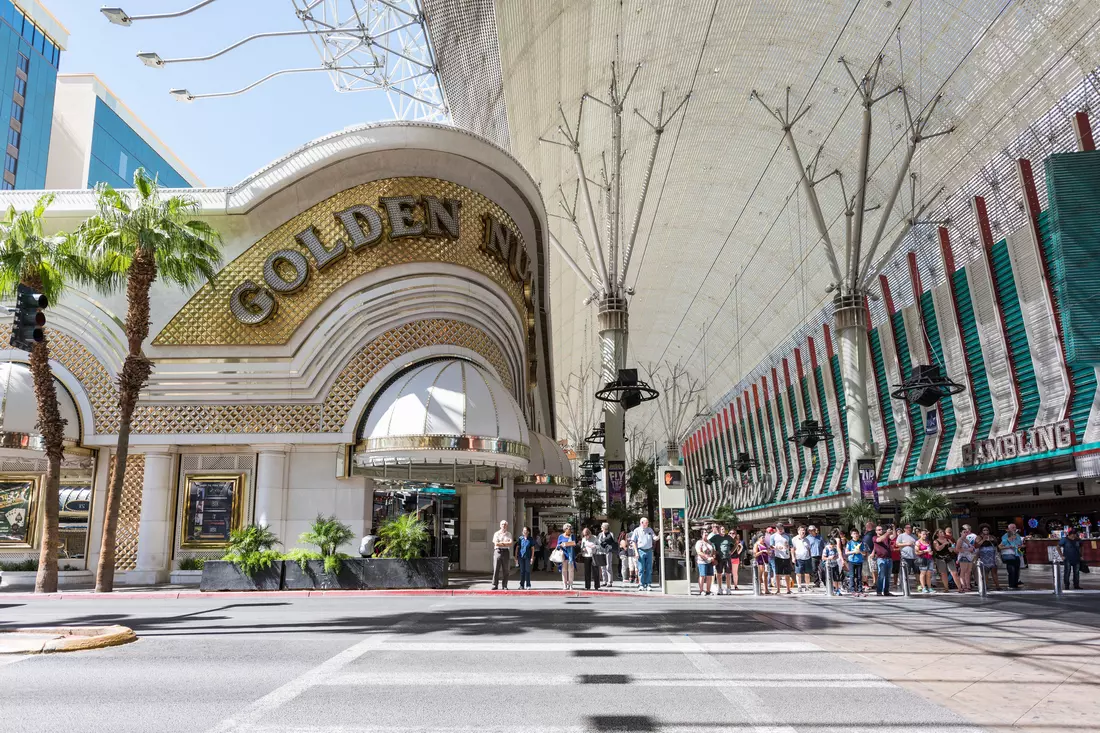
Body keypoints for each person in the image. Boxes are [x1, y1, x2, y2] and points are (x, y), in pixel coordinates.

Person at [631, 518, 657, 591]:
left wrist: (658, 537)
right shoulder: (637, 530)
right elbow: (633, 541)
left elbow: (654, 537)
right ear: (641, 523)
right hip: (640, 550)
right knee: (641, 569)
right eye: (646, 522)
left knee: (649, 568)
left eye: (647, 522)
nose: (647, 524)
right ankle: (641, 584)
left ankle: (648, 584)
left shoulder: (650, 530)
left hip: (649, 551)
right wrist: (636, 552)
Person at [932, 528, 961, 593]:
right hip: (940, 558)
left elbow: (953, 546)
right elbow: (938, 549)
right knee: (943, 573)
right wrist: (944, 544)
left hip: (949, 557)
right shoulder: (935, 541)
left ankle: (960, 588)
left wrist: (952, 548)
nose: (942, 533)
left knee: (954, 573)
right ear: (937, 534)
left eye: (943, 532)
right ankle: (946, 588)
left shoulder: (948, 539)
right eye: (941, 532)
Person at [976, 525, 1001, 591]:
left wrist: (992, 540)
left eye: (987, 530)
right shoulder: (979, 537)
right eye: (984, 530)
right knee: (985, 572)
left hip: (992, 556)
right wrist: (983, 540)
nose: (986, 531)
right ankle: (986, 585)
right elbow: (977, 545)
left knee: (994, 571)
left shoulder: (992, 537)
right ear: (981, 531)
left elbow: (996, 544)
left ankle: (997, 586)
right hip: (984, 557)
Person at [871, 524, 895, 596]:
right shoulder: (874, 537)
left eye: (881, 529)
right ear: (876, 531)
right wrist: (887, 533)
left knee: (888, 576)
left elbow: (893, 536)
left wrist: (893, 528)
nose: (881, 530)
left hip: (889, 558)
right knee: (881, 575)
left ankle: (886, 591)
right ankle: (879, 591)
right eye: (879, 529)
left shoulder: (886, 537)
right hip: (881, 559)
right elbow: (879, 540)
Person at [999, 523, 1024, 589]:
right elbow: (1000, 546)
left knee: (1017, 569)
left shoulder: (1018, 536)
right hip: (1009, 554)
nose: (1014, 529)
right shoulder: (1006, 536)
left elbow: (1020, 544)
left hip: (1017, 554)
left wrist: (1021, 546)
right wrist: (1009, 546)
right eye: (1012, 527)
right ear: (1009, 529)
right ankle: (1011, 584)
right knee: (1011, 570)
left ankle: (1015, 583)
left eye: (1015, 527)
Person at [771, 524, 794, 594]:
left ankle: (788, 589)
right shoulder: (773, 536)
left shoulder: (787, 536)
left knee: (787, 574)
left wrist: (789, 547)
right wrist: (776, 547)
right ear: (776, 529)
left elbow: (791, 545)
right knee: (777, 574)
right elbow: (771, 546)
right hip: (778, 556)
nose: (780, 530)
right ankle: (778, 589)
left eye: (781, 528)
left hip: (786, 556)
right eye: (778, 528)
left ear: (783, 528)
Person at [491, 520, 513, 590]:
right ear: (500, 525)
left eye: (505, 524)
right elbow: (496, 543)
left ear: (507, 526)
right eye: (502, 524)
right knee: (496, 569)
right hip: (498, 551)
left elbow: (510, 543)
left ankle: (505, 585)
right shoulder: (496, 533)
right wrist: (505, 543)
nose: (504, 526)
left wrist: (501, 543)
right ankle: (495, 585)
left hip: (506, 552)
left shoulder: (509, 534)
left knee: (506, 570)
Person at [895, 523, 918, 592]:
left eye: (910, 527)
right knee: (905, 572)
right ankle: (903, 586)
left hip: (915, 556)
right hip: (905, 557)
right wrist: (907, 544)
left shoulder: (914, 536)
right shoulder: (901, 536)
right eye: (907, 527)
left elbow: (918, 544)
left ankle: (919, 585)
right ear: (904, 529)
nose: (909, 529)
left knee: (917, 572)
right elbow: (897, 544)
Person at [713, 526, 736, 595]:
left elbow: (736, 543)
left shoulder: (728, 537)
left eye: (724, 529)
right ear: (719, 530)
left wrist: (731, 551)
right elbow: (709, 542)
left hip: (727, 557)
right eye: (722, 529)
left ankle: (728, 588)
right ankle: (719, 588)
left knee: (728, 573)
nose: (723, 530)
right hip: (719, 557)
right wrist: (714, 552)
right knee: (719, 574)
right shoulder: (716, 537)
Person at [791, 525, 814, 592]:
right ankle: (799, 586)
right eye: (801, 530)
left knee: (807, 573)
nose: (803, 532)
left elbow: (809, 549)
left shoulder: (807, 540)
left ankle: (807, 586)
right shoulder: (794, 539)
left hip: (807, 558)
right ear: (798, 531)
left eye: (804, 530)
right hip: (798, 558)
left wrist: (810, 557)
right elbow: (792, 549)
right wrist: (793, 557)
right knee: (798, 573)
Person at [821, 529, 843, 595]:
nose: (833, 547)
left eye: (834, 546)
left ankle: (837, 589)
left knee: (836, 577)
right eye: (832, 546)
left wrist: (836, 557)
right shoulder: (826, 548)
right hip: (828, 565)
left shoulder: (835, 548)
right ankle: (829, 589)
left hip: (834, 564)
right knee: (828, 577)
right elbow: (823, 557)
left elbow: (837, 555)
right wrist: (829, 558)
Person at [844, 528, 866, 596]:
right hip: (852, 561)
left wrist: (860, 551)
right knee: (852, 576)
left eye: (857, 533)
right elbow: (846, 552)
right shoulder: (849, 543)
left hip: (859, 561)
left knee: (859, 576)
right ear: (851, 535)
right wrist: (854, 551)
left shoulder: (861, 542)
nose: (856, 535)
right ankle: (852, 589)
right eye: (854, 534)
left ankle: (860, 589)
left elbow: (864, 553)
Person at [955, 525, 976, 592]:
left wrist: (972, 548)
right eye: (964, 532)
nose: (965, 533)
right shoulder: (960, 540)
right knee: (963, 571)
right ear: (961, 533)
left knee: (968, 571)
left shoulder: (966, 539)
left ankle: (968, 585)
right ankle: (963, 586)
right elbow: (957, 549)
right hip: (963, 557)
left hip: (969, 556)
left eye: (966, 532)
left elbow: (970, 547)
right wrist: (968, 549)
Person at [695, 528, 715, 596]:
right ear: (701, 534)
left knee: (709, 576)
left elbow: (713, 550)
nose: (706, 534)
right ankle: (701, 590)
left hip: (710, 562)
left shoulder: (710, 542)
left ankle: (708, 590)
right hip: (702, 562)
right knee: (702, 575)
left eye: (707, 533)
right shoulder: (699, 542)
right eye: (704, 533)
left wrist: (713, 557)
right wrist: (707, 557)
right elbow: (699, 552)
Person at [556, 524, 576, 590]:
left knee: (571, 570)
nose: (570, 530)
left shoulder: (572, 536)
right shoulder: (561, 536)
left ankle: (571, 584)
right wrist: (561, 545)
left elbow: (574, 544)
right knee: (564, 570)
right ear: (565, 529)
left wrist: (572, 544)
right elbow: (558, 546)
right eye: (569, 529)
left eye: (571, 529)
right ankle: (564, 584)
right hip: (563, 555)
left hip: (570, 556)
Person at [598, 522, 617, 588]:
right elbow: (599, 542)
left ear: (604, 528)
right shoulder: (600, 534)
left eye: (602, 527)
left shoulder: (610, 534)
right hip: (601, 551)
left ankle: (610, 582)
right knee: (602, 567)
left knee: (608, 566)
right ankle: (604, 581)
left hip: (608, 552)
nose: (601, 528)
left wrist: (605, 542)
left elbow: (612, 541)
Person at [915, 529, 934, 593]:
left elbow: (930, 550)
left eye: (926, 534)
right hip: (923, 559)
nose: (925, 535)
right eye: (923, 534)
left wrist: (931, 552)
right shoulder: (918, 542)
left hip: (930, 559)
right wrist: (925, 551)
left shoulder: (928, 542)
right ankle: (923, 587)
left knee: (929, 574)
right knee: (923, 573)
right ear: (920, 534)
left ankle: (929, 587)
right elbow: (916, 552)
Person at [862, 521, 877, 592]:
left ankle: (875, 583)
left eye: (867, 526)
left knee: (873, 569)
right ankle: (866, 583)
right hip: (865, 553)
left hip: (871, 553)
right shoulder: (867, 533)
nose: (866, 527)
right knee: (866, 569)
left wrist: (873, 552)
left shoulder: (873, 533)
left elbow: (874, 544)